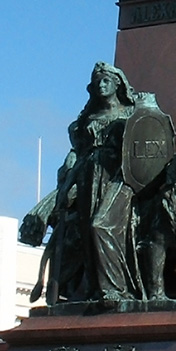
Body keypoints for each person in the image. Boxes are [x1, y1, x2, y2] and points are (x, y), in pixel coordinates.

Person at [64, 62, 143, 304]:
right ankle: (94, 288)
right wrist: (69, 174)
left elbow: (146, 143)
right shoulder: (87, 117)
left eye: (106, 80)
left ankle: (117, 288)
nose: (101, 84)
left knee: (102, 225)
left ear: (118, 84)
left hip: (117, 176)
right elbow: (76, 150)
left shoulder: (130, 114)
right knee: (87, 230)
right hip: (88, 175)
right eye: (97, 80)